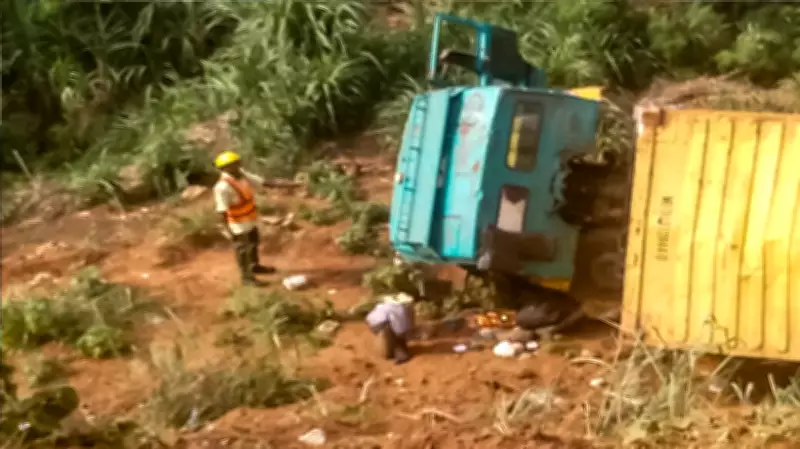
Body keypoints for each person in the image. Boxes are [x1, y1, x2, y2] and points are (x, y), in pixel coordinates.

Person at [213, 150, 297, 286]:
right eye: (232, 164)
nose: (236, 166)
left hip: (249, 218)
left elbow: (266, 183)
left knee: (253, 243)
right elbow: (221, 210)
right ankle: (247, 278)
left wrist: (292, 184)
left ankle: (255, 266)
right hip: (237, 223)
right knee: (242, 250)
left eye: (237, 163)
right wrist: (226, 229)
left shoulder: (242, 175)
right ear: (224, 168)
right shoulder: (222, 187)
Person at [365, 293, 416, 365]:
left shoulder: (387, 304)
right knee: (396, 336)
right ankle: (401, 355)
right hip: (382, 323)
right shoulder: (399, 308)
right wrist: (402, 336)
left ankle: (391, 351)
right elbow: (399, 325)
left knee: (392, 336)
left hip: (372, 323)